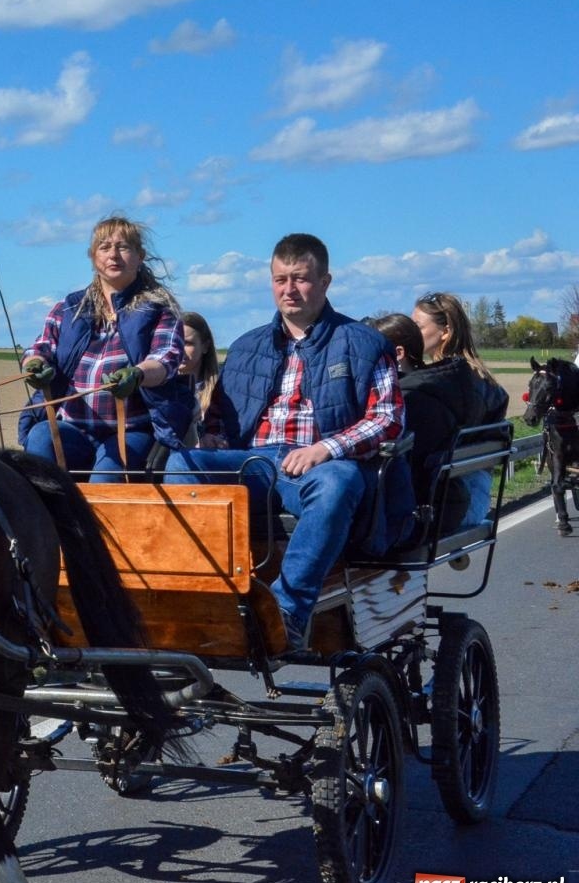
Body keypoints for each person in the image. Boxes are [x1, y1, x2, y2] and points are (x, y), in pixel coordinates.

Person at [167, 234, 407, 650]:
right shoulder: (246, 348)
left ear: (326, 281)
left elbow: (388, 419)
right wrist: (213, 437)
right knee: (181, 465)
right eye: (280, 279)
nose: (289, 289)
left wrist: (326, 449)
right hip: (254, 464)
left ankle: (286, 613)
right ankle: (203, 596)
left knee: (338, 483)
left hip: (320, 466)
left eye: (301, 278)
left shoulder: (364, 344)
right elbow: (222, 418)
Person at [17, 215, 192, 481]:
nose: (113, 255)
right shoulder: (67, 309)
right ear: (92, 256)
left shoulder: (160, 311)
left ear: (140, 255)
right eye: (104, 247)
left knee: (105, 479)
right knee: (40, 439)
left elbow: (165, 360)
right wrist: (33, 366)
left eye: (123, 247)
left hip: (130, 430)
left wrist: (137, 375)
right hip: (71, 427)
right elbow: (40, 347)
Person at [370, 313, 484, 532]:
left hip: (423, 514)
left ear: (398, 353)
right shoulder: (443, 384)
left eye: (371, 352)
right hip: (453, 501)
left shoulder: (410, 400)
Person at [412, 292, 508, 525]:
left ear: (445, 332)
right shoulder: (484, 380)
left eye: (417, 327)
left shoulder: (442, 385)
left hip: (451, 505)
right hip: (475, 499)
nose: (410, 334)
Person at [177, 311, 221, 448]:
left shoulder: (221, 389)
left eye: (188, 343)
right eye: (175, 342)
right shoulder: (160, 390)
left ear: (205, 346)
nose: (179, 350)